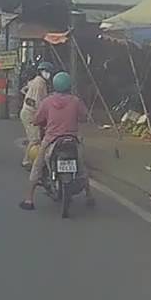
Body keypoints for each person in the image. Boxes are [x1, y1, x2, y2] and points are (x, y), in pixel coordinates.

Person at [22, 71, 92, 211]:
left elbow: (37, 119)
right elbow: (84, 117)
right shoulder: (75, 101)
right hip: (72, 140)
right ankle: (89, 196)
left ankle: (29, 199)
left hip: (51, 140)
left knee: (37, 166)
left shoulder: (47, 102)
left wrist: (39, 122)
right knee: (82, 167)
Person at [19, 61, 54, 169]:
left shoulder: (36, 81)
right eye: (46, 71)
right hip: (31, 113)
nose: (48, 74)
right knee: (35, 139)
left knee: (36, 138)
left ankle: (33, 159)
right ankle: (26, 161)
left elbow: (23, 89)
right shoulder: (40, 84)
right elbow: (39, 103)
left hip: (28, 112)